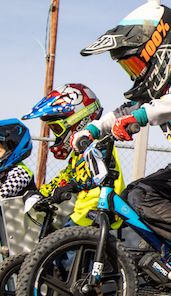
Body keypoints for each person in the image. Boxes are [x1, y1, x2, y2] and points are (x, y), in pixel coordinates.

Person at [74, 1, 171, 279]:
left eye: (136, 64)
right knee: (129, 197)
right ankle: (166, 251)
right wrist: (93, 130)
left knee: (140, 194)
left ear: (162, 52)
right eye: (128, 69)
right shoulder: (154, 92)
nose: (135, 74)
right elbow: (121, 112)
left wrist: (140, 118)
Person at [23, 83, 126, 228]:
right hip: (83, 211)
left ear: (78, 120)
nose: (56, 134)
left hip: (97, 209)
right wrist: (41, 192)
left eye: (57, 128)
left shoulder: (96, 144)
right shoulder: (79, 152)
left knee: (65, 245)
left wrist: (68, 186)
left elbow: (90, 176)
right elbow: (67, 175)